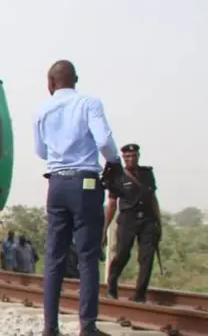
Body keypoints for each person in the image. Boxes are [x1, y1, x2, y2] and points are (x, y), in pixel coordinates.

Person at [34, 60, 121, 336]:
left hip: (57, 184)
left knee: (54, 257)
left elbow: (40, 151)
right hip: (85, 184)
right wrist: (114, 163)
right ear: (76, 79)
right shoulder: (89, 103)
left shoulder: (42, 110)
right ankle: (88, 326)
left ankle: (50, 327)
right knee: (87, 256)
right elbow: (105, 142)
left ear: (50, 83)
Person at [104, 144, 162, 303]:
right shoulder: (117, 176)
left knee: (147, 258)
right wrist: (105, 228)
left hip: (147, 220)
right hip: (127, 219)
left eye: (134, 156)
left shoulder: (147, 174)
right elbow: (112, 204)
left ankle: (140, 294)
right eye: (127, 156)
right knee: (122, 254)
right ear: (123, 158)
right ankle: (111, 286)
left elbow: (153, 198)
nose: (131, 159)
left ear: (138, 156)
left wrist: (159, 222)